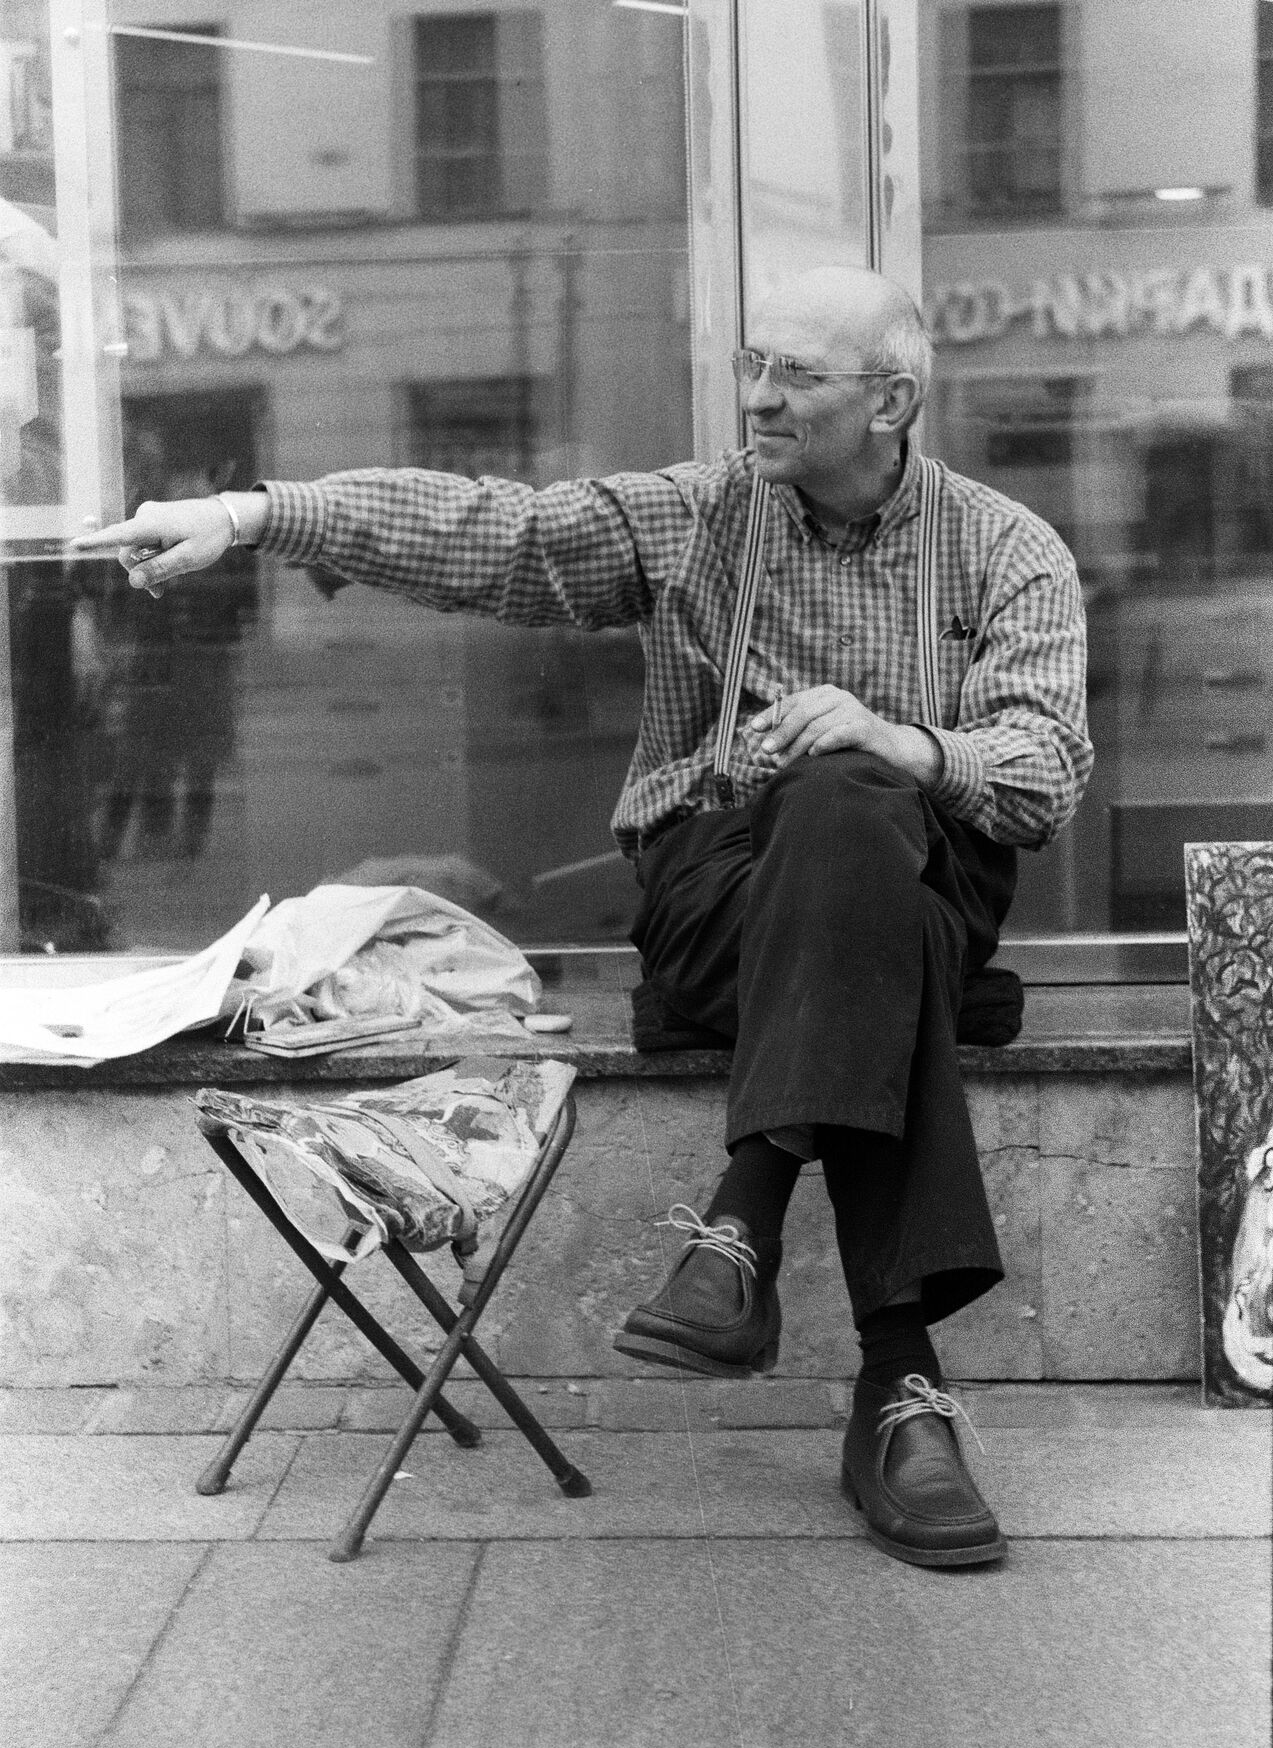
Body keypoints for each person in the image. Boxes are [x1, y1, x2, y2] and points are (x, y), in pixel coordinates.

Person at [72, 265, 1093, 1570]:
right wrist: (249, 513)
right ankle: (899, 1387)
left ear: (891, 402)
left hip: (923, 893)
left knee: (849, 799)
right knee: (847, 862)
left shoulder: (1006, 549)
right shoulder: (701, 515)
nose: (757, 397)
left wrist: (902, 743)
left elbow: (1046, 773)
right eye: (752, 364)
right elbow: (494, 533)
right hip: (720, 904)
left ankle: (742, 1222)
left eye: (794, 374)